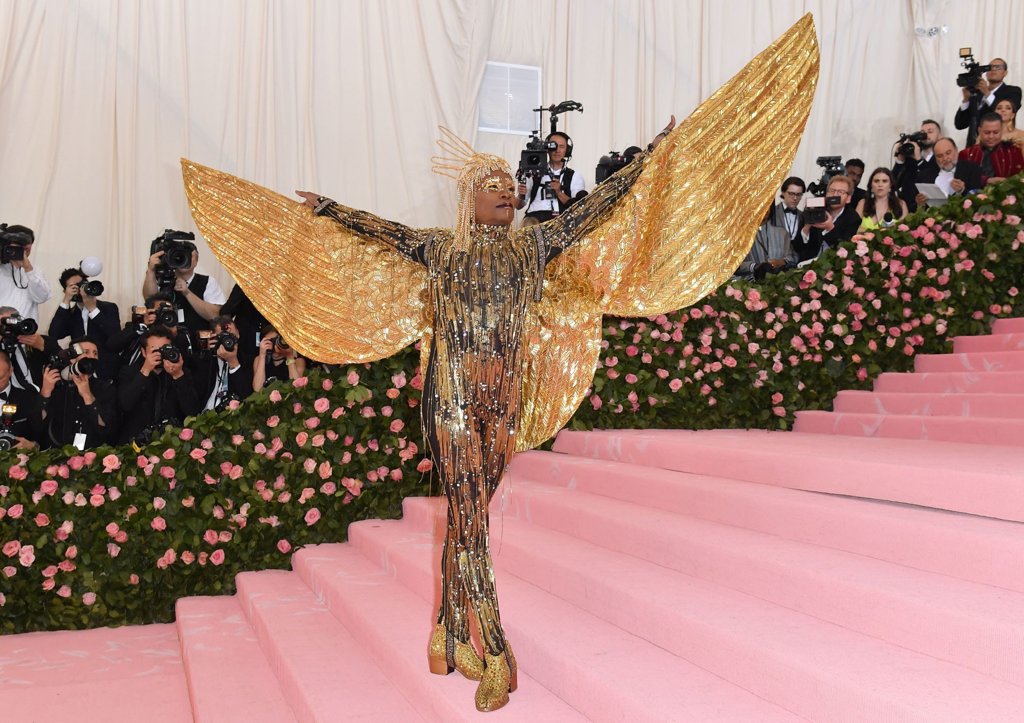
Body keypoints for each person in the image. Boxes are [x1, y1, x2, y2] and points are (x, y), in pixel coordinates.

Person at [181, 17, 819, 713]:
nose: (508, 193)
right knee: (474, 521)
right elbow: (381, 232)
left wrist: (648, 161)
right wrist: (330, 208)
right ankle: (494, 649)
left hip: (503, 397)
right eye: (494, 186)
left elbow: (598, 207)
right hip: (452, 396)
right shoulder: (441, 251)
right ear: (470, 199)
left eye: (511, 187)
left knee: (468, 515)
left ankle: (445, 628)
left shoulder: (534, 248)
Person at [116, 326, 202, 445]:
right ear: (143, 352)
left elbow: (192, 411)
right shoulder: (129, 372)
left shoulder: (182, 373)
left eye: (165, 349)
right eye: (155, 351)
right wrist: (145, 371)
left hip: (172, 442)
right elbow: (125, 404)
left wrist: (178, 375)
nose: (160, 354)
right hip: (136, 442)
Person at [36, 337, 117, 450]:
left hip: (93, 453)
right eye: (86, 352)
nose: (92, 357)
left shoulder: (105, 388)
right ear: (72, 358)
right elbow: (38, 425)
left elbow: (107, 427)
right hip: (56, 453)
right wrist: (45, 391)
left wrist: (87, 396)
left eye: (95, 353)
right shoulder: (57, 384)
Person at [48, 267, 122, 379]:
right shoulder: (71, 314)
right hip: (81, 370)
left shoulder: (109, 307)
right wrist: (66, 300)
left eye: (81, 284)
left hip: (107, 370)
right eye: (73, 287)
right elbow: (54, 334)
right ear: (66, 290)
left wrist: (93, 309)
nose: (79, 289)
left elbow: (115, 335)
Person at [142, 241, 225, 336]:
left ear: (196, 260)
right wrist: (151, 270)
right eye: (179, 255)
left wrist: (187, 293)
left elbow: (215, 315)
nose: (184, 259)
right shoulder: (163, 279)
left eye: (189, 256)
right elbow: (149, 300)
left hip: (198, 340)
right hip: (166, 339)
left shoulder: (208, 282)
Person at [513, 131, 586, 225]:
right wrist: (521, 195)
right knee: (529, 223)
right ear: (547, 148)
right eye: (553, 146)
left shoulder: (574, 176)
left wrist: (559, 193)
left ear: (567, 150)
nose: (557, 150)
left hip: (562, 220)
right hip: (534, 219)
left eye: (561, 146)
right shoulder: (533, 172)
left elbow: (580, 206)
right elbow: (518, 206)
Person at [955, 58, 1022, 147]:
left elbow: (1006, 114)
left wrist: (987, 93)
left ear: (1005, 73)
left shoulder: (1012, 91)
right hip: (973, 147)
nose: (993, 69)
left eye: (997, 67)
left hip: (998, 146)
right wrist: (966, 100)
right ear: (986, 73)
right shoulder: (976, 93)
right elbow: (960, 124)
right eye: (990, 67)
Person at [793, 175, 862, 262]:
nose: (835, 195)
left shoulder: (853, 218)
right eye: (832, 191)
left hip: (834, 265)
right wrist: (806, 229)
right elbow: (797, 247)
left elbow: (843, 250)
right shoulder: (815, 208)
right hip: (807, 263)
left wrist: (830, 228)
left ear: (848, 198)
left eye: (840, 192)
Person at [194, 315, 252, 411]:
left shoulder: (248, 360)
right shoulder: (207, 361)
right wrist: (205, 351)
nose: (227, 341)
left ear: (238, 334)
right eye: (222, 337)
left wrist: (233, 362)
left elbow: (247, 397)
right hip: (206, 414)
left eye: (230, 335)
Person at [0, 225, 51, 323]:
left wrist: (28, 269)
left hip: (24, 329)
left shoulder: (35, 271)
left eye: (27, 249)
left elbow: (42, 298)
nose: (23, 252)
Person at [913, 137, 984, 207]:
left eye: (948, 153)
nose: (945, 158)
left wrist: (962, 190)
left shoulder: (972, 169)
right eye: (940, 156)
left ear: (956, 150)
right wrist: (920, 204)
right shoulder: (924, 175)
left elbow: (978, 200)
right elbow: (915, 206)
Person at [735, 202, 797, 281]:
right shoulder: (738, 235)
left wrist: (783, 261)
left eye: (767, 206)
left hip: (780, 282)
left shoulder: (782, 233)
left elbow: (793, 257)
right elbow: (732, 266)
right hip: (750, 283)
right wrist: (754, 267)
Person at [958, 112, 1024, 185]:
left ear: (1001, 131)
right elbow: (961, 180)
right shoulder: (966, 154)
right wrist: (986, 180)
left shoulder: (1014, 152)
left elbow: (1020, 180)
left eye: (995, 132)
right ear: (979, 131)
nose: (991, 136)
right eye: (987, 132)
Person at [895, 119, 942, 212]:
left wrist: (919, 160)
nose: (925, 135)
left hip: (930, 210)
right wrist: (900, 160)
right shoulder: (910, 157)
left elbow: (931, 179)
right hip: (907, 210)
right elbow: (894, 183)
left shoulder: (940, 157)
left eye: (930, 132)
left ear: (940, 136)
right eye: (922, 132)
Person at [0, 349, 40, 449]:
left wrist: (32, 446)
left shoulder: (28, 398)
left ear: (10, 370)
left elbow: (42, 438)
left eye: (0, 378)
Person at [252, 324, 307, 390]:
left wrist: (289, 356)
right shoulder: (259, 360)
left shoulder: (298, 361)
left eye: (276, 340)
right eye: (269, 341)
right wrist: (262, 356)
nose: (273, 345)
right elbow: (257, 389)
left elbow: (297, 388)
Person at [770, 176, 805, 242]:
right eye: (791, 194)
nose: (795, 198)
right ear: (783, 193)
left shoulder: (803, 216)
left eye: (798, 194)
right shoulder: (771, 213)